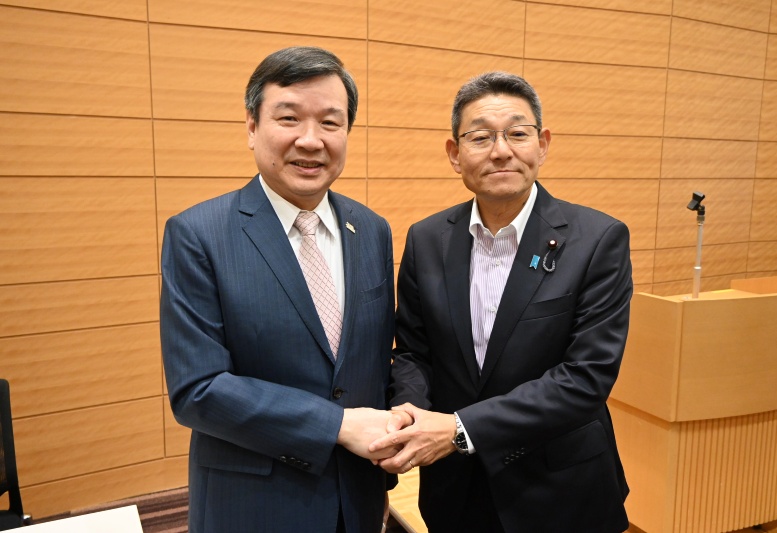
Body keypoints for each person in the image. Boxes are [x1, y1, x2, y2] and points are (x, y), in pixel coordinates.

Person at [369, 72, 632, 532]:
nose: (501, 151)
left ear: (542, 145)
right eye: (480, 137)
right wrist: (410, 410)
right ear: (455, 154)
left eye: (517, 133)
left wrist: (459, 430)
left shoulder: (598, 239)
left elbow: (585, 378)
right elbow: (413, 351)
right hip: (456, 489)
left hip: (561, 490)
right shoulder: (426, 239)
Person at [160, 46, 404, 533]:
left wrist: (388, 463)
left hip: (357, 496)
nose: (310, 140)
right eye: (289, 118)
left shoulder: (372, 229)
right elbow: (198, 390)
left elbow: (372, 364)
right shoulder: (198, 234)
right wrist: (337, 426)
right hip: (253, 505)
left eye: (330, 123)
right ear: (252, 127)